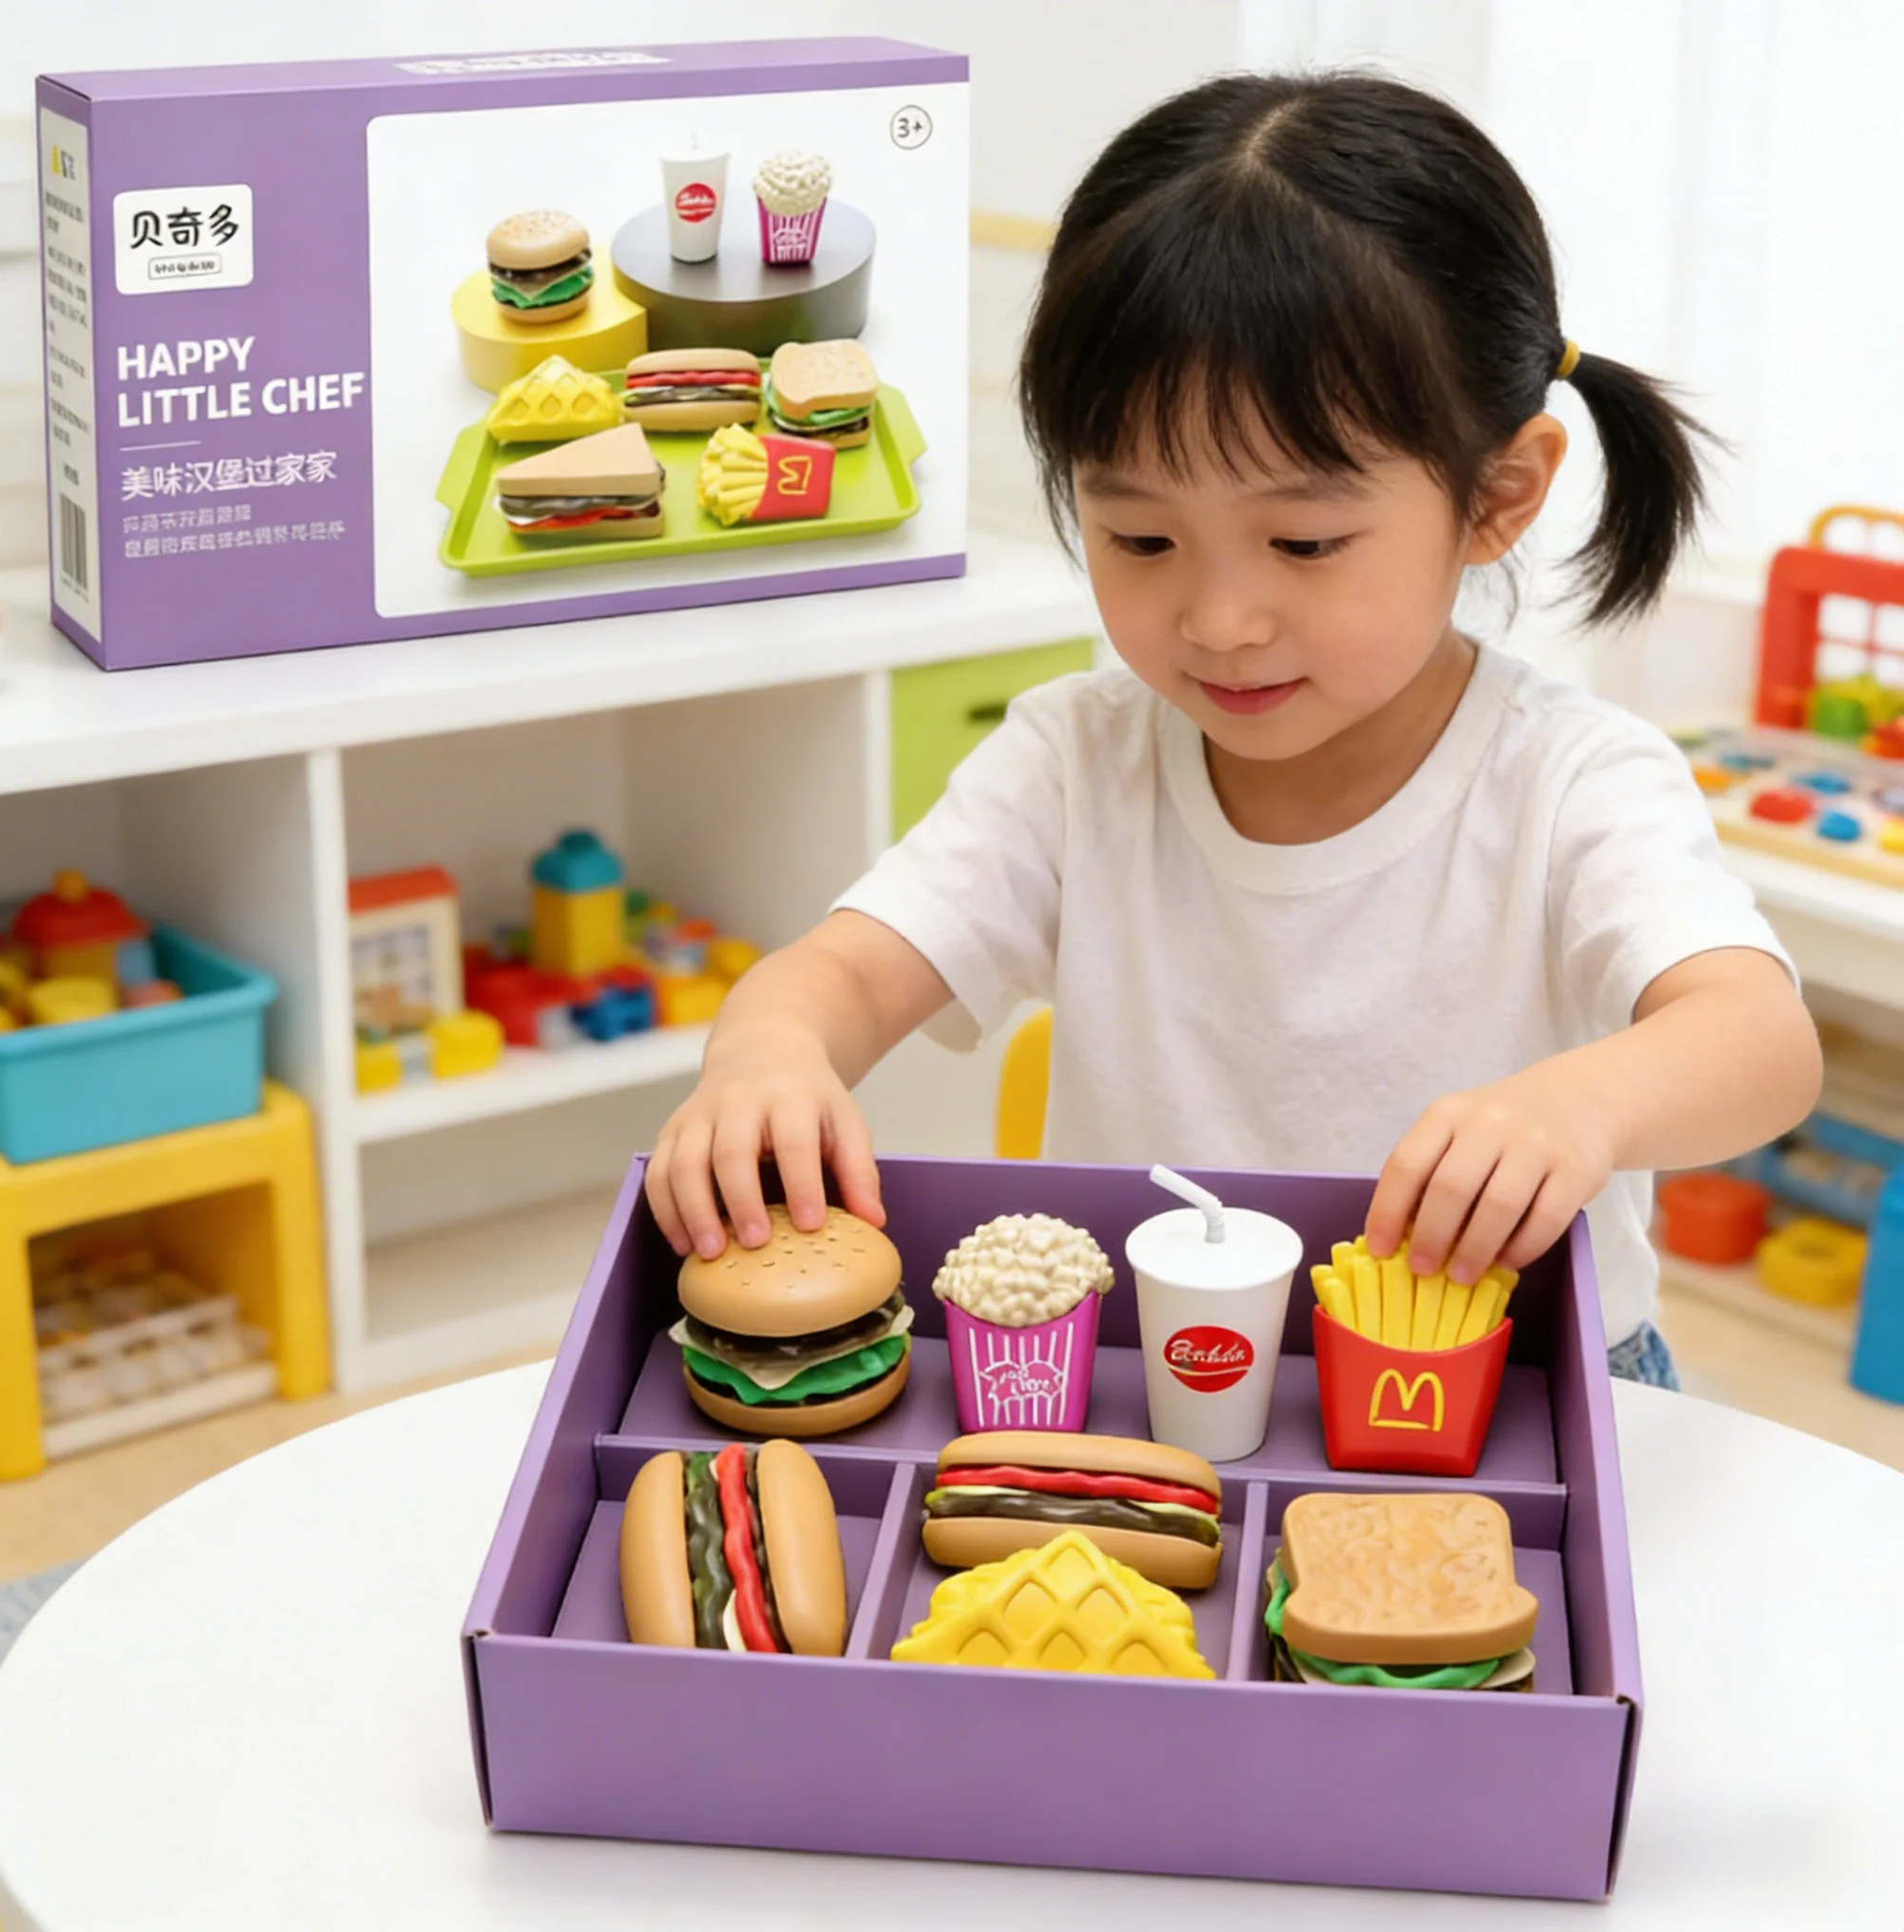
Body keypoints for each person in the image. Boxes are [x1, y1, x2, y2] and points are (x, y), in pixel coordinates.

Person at [645, 70, 1821, 1387]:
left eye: (1304, 541)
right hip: (1168, 1379)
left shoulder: (1570, 781)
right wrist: (767, 1053)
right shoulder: (1073, 762)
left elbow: (1760, 1041)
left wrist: (1585, 1105)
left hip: (1522, 1392)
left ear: (1496, 497)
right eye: (1139, 535)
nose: (1218, 620)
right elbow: (848, 974)